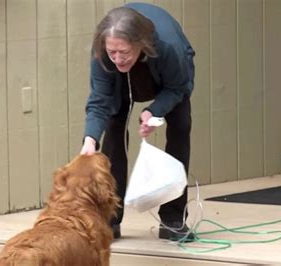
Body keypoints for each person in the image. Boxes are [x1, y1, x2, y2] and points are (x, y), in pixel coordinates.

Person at [80, 2, 195, 242]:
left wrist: (154, 111)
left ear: (140, 43)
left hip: (169, 81)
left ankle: (173, 219)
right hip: (122, 85)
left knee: (181, 127)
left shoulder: (168, 46)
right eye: (113, 52)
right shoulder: (104, 53)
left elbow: (178, 88)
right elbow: (99, 100)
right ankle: (109, 219)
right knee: (113, 133)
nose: (118, 59)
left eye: (123, 52)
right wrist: (90, 141)